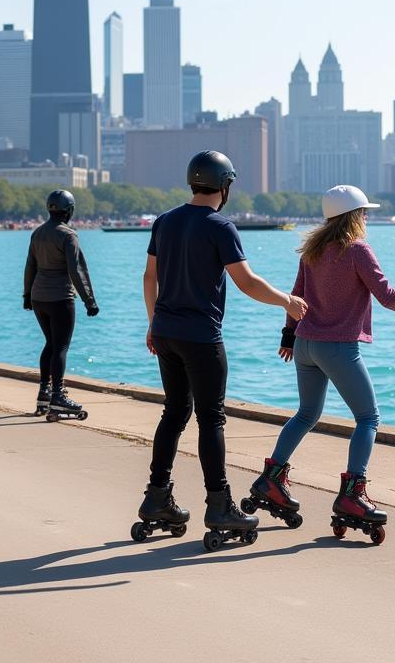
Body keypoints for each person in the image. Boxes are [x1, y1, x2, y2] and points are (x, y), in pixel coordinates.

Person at [247, 185, 395, 537]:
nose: (367, 217)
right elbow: (387, 297)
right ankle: (353, 495)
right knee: (368, 418)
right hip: (337, 347)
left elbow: (296, 297)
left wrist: (289, 336)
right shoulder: (358, 251)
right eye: (364, 212)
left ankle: (271, 480)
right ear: (354, 216)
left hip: (306, 344)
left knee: (306, 414)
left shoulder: (312, 250)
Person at [137, 150, 308, 546]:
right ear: (225, 186)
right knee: (211, 419)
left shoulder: (164, 222)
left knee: (174, 412)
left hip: (165, 331)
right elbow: (246, 282)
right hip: (200, 337)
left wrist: (152, 323)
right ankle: (220, 505)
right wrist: (288, 301)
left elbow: (150, 277)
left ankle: (156, 499)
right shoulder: (220, 226)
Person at [22, 189, 98, 417]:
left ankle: (44, 392)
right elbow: (77, 270)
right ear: (71, 211)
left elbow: (30, 267)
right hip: (60, 297)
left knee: (50, 344)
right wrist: (89, 300)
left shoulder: (37, 233)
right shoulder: (68, 235)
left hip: (38, 297)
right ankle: (58, 396)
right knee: (61, 346)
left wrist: (26, 296)